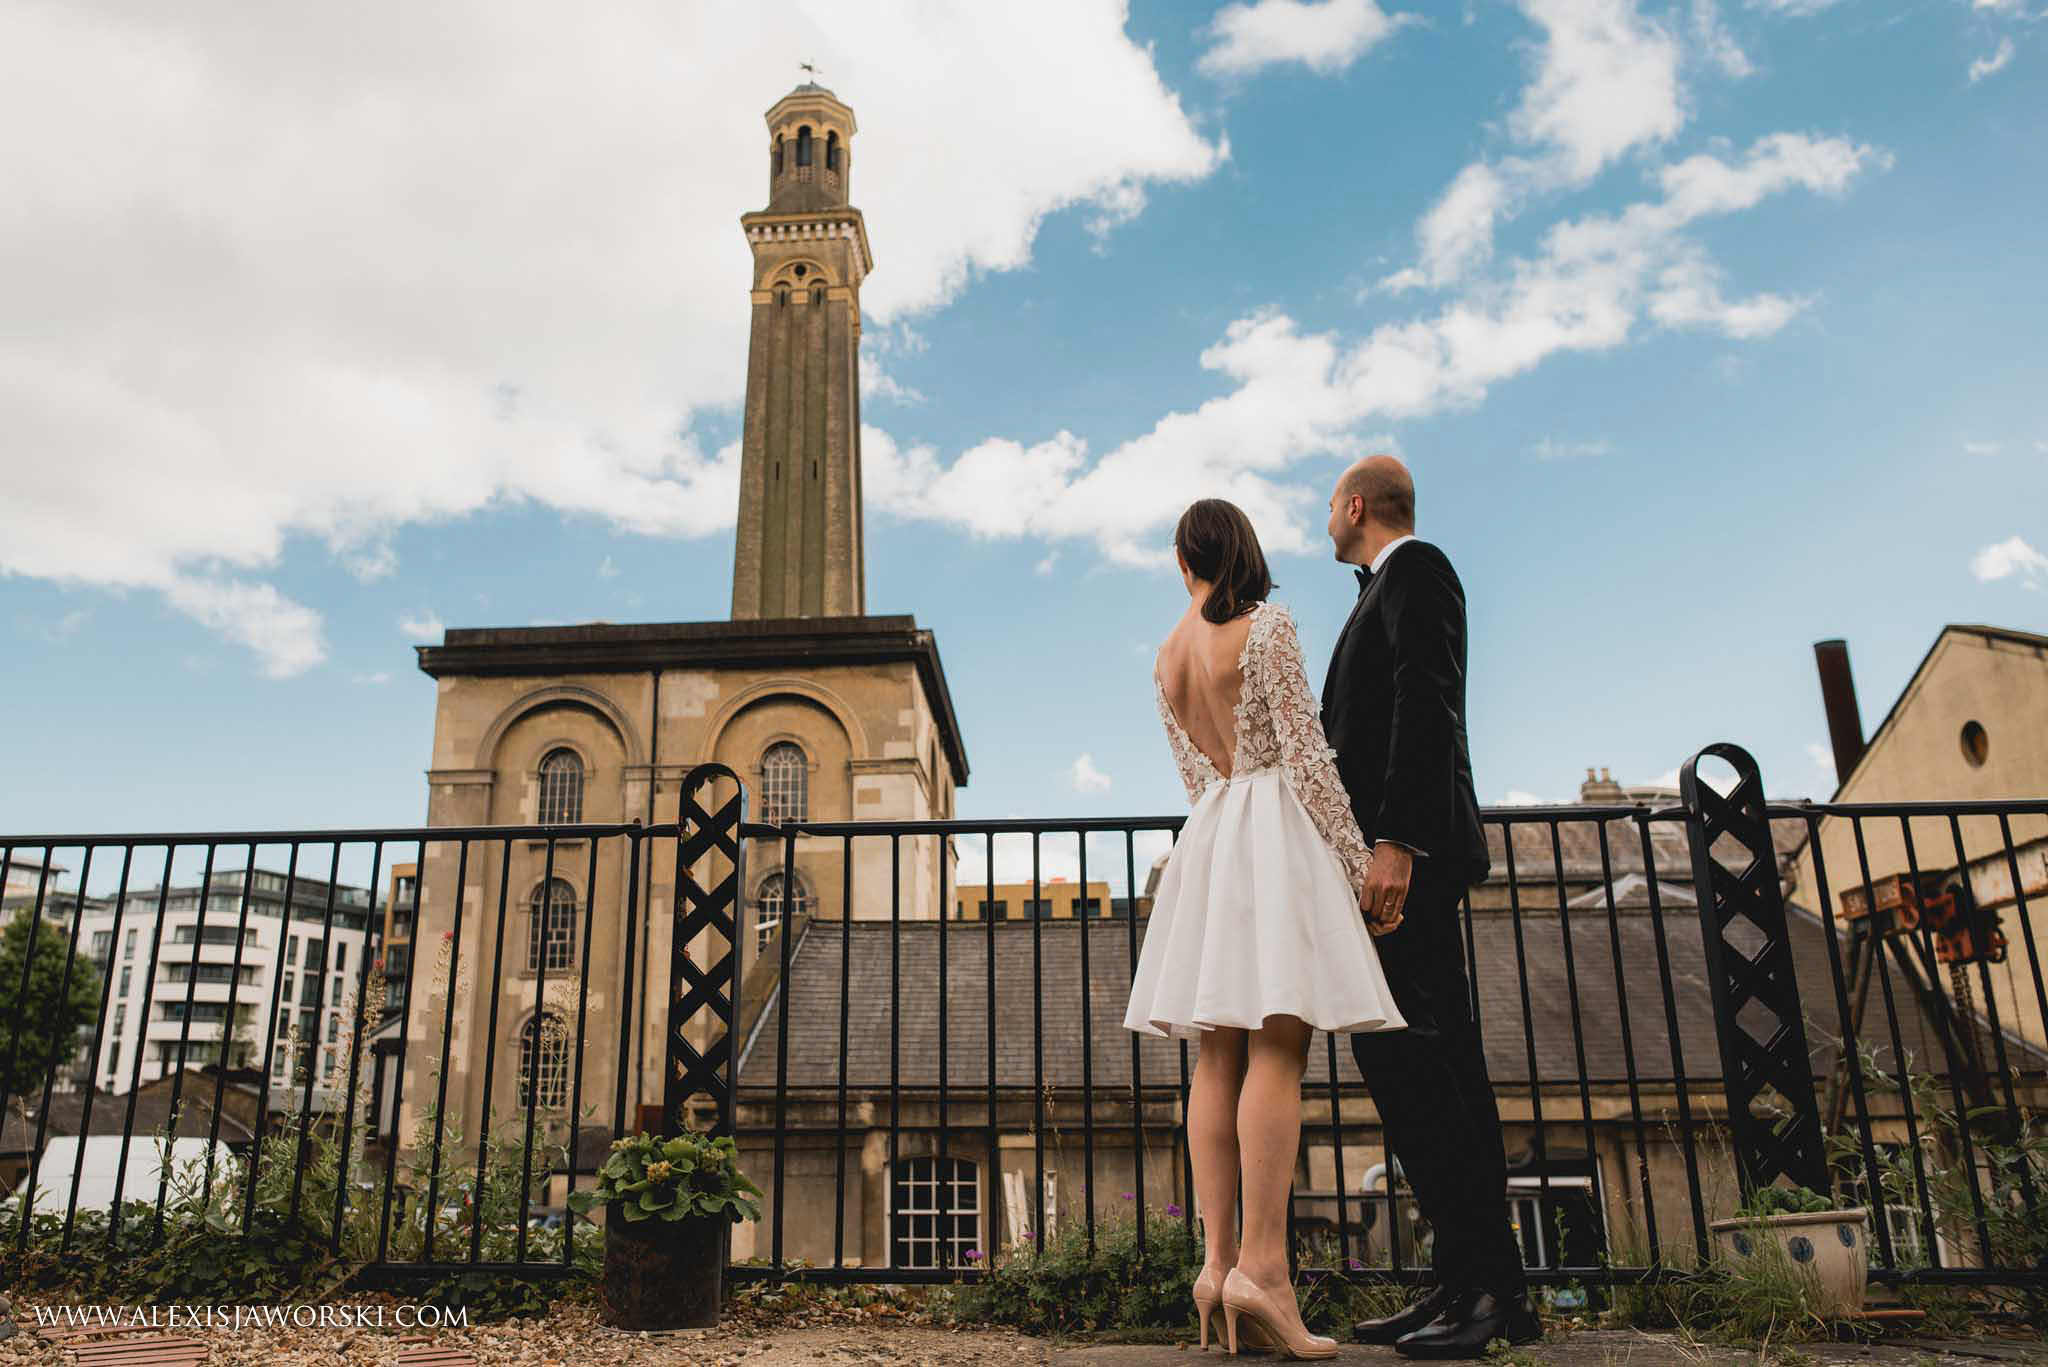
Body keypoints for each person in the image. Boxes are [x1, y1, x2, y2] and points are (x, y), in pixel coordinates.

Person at [1123, 497, 1407, 1360]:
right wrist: (1359, 866)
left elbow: (1192, 775)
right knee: (1279, 1044)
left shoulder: (1167, 655)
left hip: (1209, 835)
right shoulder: (1267, 626)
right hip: (1270, 826)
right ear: (1243, 550)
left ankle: (1213, 1268)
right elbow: (1309, 755)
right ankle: (1267, 1270)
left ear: (1186, 561)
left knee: (1218, 1051)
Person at [1322, 454, 1537, 1359]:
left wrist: (1398, 841)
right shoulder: (1375, 592)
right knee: (1401, 1068)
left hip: (1405, 866)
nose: (1325, 517)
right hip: (1377, 870)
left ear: (1358, 504)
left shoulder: (1419, 569)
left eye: (1331, 503)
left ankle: (1494, 1289)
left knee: (1437, 1068)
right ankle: (1457, 1278)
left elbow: (1429, 701)